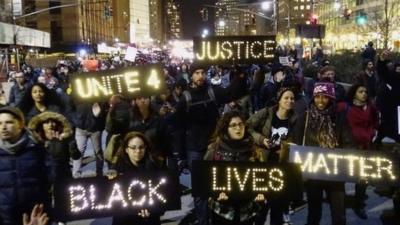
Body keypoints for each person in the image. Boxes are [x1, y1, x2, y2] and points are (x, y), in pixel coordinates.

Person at [174, 63, 231, 225]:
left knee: (217, 184)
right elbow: (178, 127)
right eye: (197, 73)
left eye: (202, 72)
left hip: (214, 146)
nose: (200, 76)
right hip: (194, 148)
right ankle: (203, 220)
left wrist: (238, 72)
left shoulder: (213, 91)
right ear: (191, 76)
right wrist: (180, 153)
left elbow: (233, 93)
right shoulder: (185, 98)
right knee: (200, 189)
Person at [292, 82, 351, 225]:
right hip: (313, 174)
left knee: (339, 215)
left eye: (325, 97)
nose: (320, 101)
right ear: (313, 98)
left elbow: (348, 141)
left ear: (331, 98)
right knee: (314, 213)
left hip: (335, 173)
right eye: (317, 97)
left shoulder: (339, 118)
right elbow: (296, 141)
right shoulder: (305, 117)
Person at [247, 87, 299, 225]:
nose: (290, 101)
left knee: (277, 205)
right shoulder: (266, 113)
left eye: (292, 98)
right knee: (260, 205)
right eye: (286, 98)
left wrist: (285, 148)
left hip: (280, 167)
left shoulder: (295, 118)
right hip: (263, 163)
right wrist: (261, 140)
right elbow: (247, 127)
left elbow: (296, 141)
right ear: (279, 100)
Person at [204, 111, 265, 225]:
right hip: (222, 211)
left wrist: (261, 194)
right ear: (226, 128)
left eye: (241, 124)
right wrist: (214, 194)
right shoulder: (215, 150)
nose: (238, 128)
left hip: (247, 211)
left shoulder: (253, 150)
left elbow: (262, 177)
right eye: (233, 125)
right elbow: (204, 176)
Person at [0, 106, 53, 225]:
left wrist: (53, 145)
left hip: (36, 216)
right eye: (0, 123)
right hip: (6, 218)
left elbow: (52, 177)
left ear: (20, 125)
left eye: (9, 122)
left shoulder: (36, 148)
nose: (3, 127)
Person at [338, 84, 379, 219]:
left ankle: (359, 204)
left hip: (365, 147)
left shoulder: (371, 108)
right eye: (361, 91)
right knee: (343, 175)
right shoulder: (345, 107)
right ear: (354, 93)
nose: (364, 94)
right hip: (349, 147)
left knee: (362, 178)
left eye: (366, 91)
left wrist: (372, 132)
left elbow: (375, 122)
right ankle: (339, 203)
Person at [108, 132, 164, 225]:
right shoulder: (118, 168)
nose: (137, 151)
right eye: (133, 147)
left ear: (146, 148)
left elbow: (164, 197)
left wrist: (153, 211)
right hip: (124, 220)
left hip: (149, 220)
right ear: (126, 149)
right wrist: (109, 178)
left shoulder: (155, 167)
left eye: (141, 147)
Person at [28, 111, 81, 182]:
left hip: (63, 177)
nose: (50, 125)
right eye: (47, 122)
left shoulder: (64, 139)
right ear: (42, 125)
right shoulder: (36, 142)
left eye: (53, 122)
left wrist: (71, 143)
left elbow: (76, 156)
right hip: (43, 179)